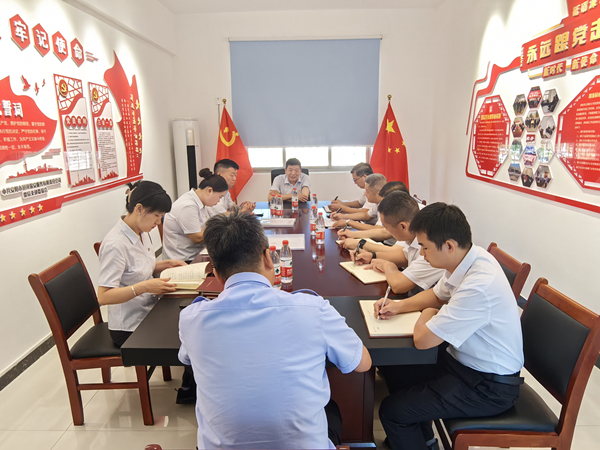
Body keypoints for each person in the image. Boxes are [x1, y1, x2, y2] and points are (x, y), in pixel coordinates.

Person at [178, 210, 372, 449]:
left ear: (216, 274)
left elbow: (186, 358)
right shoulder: (313, 309)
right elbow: (362, 363)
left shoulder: (191, 318)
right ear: (269, 258)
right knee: (329, 408)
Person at [374, 203, 524, 450]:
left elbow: (424, 339)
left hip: (487, 386)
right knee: (396, 369)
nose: (422, 254)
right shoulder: (468, 259)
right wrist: (398, 306)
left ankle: (413, 438)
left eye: (425, 247)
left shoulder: (478, 285)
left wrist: (429, 313)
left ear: (449, 245)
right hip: (464, 364)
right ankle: (423, 441)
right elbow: (437, 294)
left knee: (393, 412)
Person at [97, 181, 187, 347]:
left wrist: (168, 264)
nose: (158, 222)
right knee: (184, 335)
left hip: (149, 308)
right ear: (138, 209)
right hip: (129, 326)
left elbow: (139, 269)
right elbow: (104, 296)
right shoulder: (115, 245)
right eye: (157, 216)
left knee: (188, 319)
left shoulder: (141, 231)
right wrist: (145, 287)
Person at [350, 191, 445, 295]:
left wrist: (387, 266)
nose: (386, 231)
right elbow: (405, 256)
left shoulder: (431, 247)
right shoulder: (413, 235)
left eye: (387, 227)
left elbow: (398, 286)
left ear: (403, 226)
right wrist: (372, 256)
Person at [162, 168, 228, 263]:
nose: (218, 201)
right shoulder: (188, 206)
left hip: (196, 254)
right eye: (219, 197)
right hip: (183, 260)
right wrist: (216, 226)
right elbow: (197, 237)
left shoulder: (201, 202)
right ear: (209, 191)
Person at [337, 181, 410, 247]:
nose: (365, 194)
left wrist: (360, 243)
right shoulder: (398, 208)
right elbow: (385, 232)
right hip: (389, 245)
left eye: (367, 191)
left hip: (390, 246)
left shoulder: (409, 214)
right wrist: (353, 234)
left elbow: (397, 251)